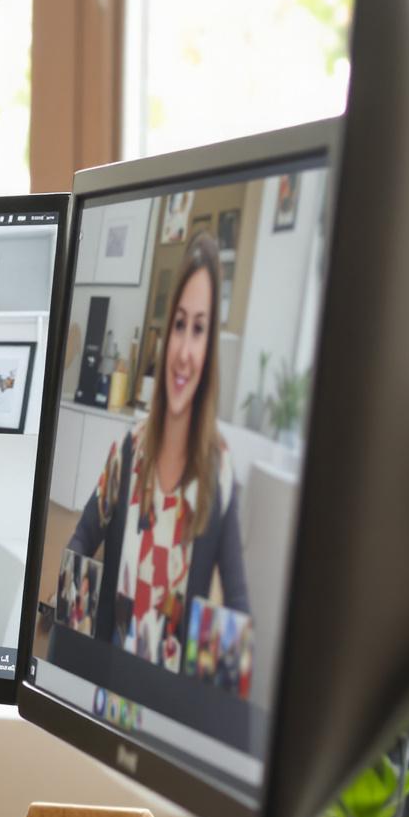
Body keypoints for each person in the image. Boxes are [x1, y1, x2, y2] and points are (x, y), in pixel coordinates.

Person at [63, 233, 250, 669]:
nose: (185, 350)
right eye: (179, 325)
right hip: (109, 682)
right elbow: (81, 538)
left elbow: (238, 599)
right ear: (165, 336)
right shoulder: (129, 450)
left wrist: (220, 692)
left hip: (170, 698)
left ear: (210, 346)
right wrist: (70, 649)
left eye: (199, 329)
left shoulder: (219, 472)